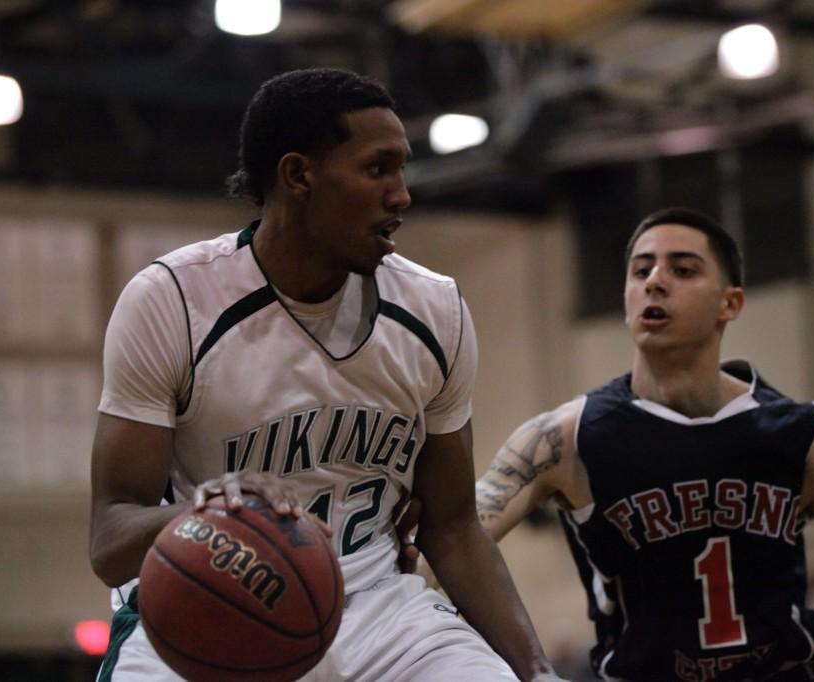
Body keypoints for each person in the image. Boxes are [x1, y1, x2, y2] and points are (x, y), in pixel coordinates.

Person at [88, 67, 563, 682]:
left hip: (378, 612)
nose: (402, 194)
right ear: (298, 176)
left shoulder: (435, 308)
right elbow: (109, 538)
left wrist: (537, 670)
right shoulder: (173, 300)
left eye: (402, 169)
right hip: (203, 605)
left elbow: (451, 525)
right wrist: (202, 517)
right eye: (378, 169)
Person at [459, 207, 814, 680]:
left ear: (731, 303)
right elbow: (451, 541)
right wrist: (530, 667)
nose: (655, 281)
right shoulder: (566, 437)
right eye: (641, 269)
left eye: (683, 269)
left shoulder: (801, 438)